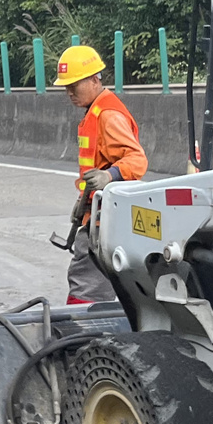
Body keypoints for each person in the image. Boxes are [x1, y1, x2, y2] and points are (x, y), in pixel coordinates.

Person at [54, 44, 147, 305]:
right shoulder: (95, 111)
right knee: (103, 285)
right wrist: (83, 202)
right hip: (97, 214)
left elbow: (136, 159)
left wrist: (110, 176)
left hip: (105, 220)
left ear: (96, 79)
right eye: (66, 86)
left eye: (75, 84)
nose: (69, 91)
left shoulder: (108, 114)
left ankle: (78, 337)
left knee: (85, 285)